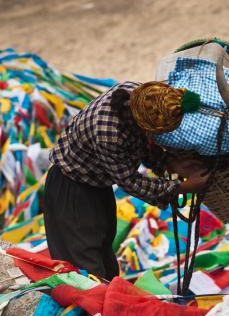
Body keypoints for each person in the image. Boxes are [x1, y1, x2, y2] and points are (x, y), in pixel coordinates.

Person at [44, 81, 208, 280]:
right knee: (84, 265)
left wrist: (169, 163)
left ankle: (109, 300)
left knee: (104, 251)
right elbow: (129, 181)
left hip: (97, 185)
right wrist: (182, 187)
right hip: (72, 188)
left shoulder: (142, 96)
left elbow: (138, 142)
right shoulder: (108, 131)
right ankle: (92, 309)